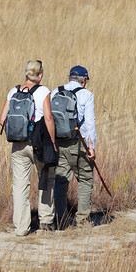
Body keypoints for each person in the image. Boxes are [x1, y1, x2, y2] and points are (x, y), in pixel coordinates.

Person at [0, 60, 57, 236]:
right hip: (39, 143)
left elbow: (2, 119)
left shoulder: (13, 91)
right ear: (40, 75)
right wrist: (53, 142)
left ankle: (21, 227)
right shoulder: (43, 91)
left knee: (19, 185)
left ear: (26, 74)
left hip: (18, 145)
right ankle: (46, 221)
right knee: (46, 178)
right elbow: (48, 118)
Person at [52, 66, 96, 228]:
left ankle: (61, 219)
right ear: (83, 80)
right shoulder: (86, 95)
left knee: (60, 181)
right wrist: (92, 147)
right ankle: (83, 219)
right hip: (79, 143)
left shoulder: (55, 91)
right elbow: (90, 124)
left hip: (59, 143)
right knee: (85, 179)